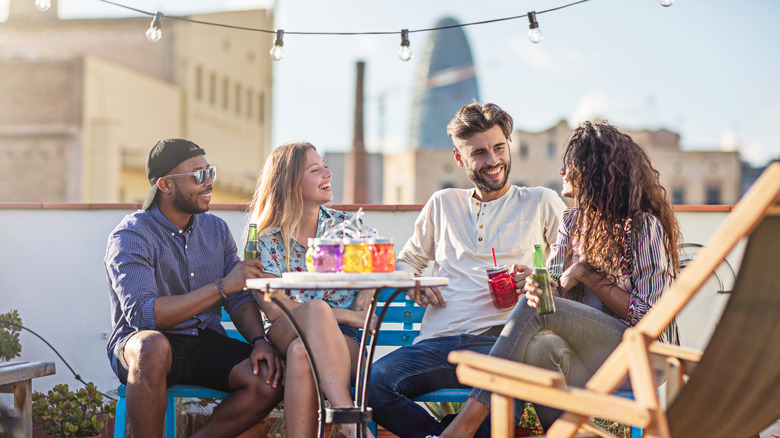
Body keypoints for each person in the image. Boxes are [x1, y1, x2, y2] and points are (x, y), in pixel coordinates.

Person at [439, 121, 682, 437]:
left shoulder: (642, 227)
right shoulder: (572, 221)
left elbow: (650, 318)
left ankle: (463, 426)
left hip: (643, 359)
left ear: (594, 170)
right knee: (540, 345)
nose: (562, 170)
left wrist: (586, 275)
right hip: (593, 358)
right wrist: (541, 284)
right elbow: (553, 288)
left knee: (539, 306)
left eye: (571, 163)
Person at [368, 102, 566, 437]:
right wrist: (412, 279)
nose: (493, 161)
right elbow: (407, 261)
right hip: (438, 344)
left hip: (503, 345)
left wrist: (541, 278)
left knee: (502, 397)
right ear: (460, 159)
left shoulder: (540, 202)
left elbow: (572, 266)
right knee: (373, 385)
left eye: (499, 148)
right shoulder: (442, 204)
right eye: (479, 153)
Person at [105, 138, 284, 437]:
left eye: (209, 171)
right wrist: (221, 286)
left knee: (270, 378)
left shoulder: (216, 230)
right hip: (143, 347)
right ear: (165, 185)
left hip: (202, 341)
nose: (209, 182)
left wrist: (259, 341)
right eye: (198, 175)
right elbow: (143, 316)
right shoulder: (131, 235)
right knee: (152, 347)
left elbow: (238, 297)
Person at [247, 141, 376, 438]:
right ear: (290, 182)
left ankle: (344, 420)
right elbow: (272, 307)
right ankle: (347, 418)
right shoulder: (265, 239)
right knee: (315, 312)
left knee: (301, 353)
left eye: (325, 167)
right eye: (316, 170)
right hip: (285, 328)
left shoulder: (347, 229)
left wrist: (369, 285)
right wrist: (345, 315)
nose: (327, 174)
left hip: (345, 343)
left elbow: (379, 266)